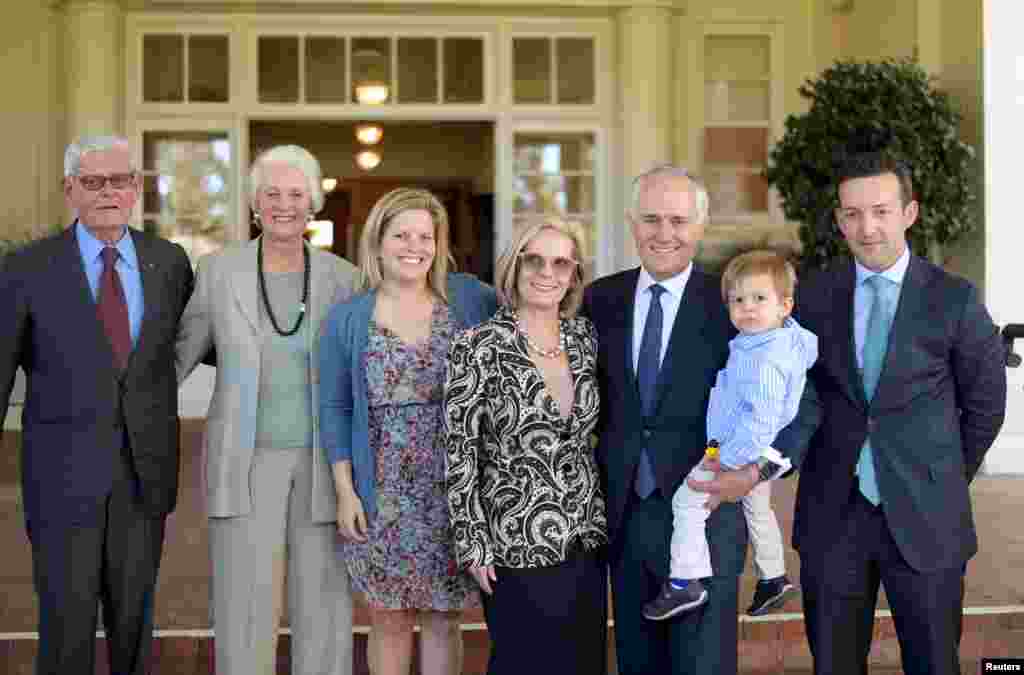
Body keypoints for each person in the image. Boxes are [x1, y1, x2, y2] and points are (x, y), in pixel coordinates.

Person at [774, 151, 1007, 675]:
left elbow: (986, 403)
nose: (867, 227)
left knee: (933, 663)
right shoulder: (811, 298)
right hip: (833, 517)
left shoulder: (955, 300)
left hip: (928, 517)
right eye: (852, 214)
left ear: (909, 213)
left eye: (880, 211)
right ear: (838, 219)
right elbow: (798, 392)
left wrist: (942, 475)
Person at [583, 164, 792, 675]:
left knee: (701, 664)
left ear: (699, 227)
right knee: (637, 659)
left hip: (706, 514)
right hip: (625, 515)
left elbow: (797, 392)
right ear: (632, 223)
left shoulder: (735, 304)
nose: (664, 234)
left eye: (678, 220)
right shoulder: (598, 300)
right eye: (651, 219)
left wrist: (758, 470)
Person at [0, 135, 194, 675]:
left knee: (135, 628)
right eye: (92, 181)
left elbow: (197, 346)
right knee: (66, 631)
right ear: (70, 190)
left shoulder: (170, 263)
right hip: (60, 480)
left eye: (120, 180)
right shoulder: (26, 269)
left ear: (136, 189)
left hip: (143, 475)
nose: (108, 191)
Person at [175, 144, 357, 675]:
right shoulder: (218, 272)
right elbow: (176, 361)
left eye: (296, 194)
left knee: (324, 608)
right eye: (272, 194)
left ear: (313, 203)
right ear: (254, 203)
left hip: (325, 463)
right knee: (243, 608)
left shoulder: (342, 279)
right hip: (243, 461)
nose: (284, 204)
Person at [319, 188, 495, 675]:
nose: (413, 246)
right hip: (382, 490)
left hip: (453, 489)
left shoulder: (471, 299)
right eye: (401, 235)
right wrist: (345, 492)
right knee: (389, 617)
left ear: (438, 245)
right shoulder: (348, 318)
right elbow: (333, 407)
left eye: (425, 236)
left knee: (444, 617)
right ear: (378, 242)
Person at [444, 216, 608, 675]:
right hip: (514, 539)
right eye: (533, 259)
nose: (546, 272)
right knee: (522, 662)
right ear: (513, 268)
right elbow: (459, 453)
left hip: (585, 538)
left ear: (575, 275)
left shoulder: (585, 339)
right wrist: (473, 543)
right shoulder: (477, 346)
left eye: (560, 263)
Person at [641, 249, 816, 622]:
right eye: (738, 300)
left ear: (785, 305)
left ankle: (687, 579)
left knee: (687, 503)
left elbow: (762, 418)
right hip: (747, 449)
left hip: (736, 451)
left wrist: (725, 459)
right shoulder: (772, 341)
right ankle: (773, 576)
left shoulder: (765, 358)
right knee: (757, 509)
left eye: (759, 299)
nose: (747, 308)